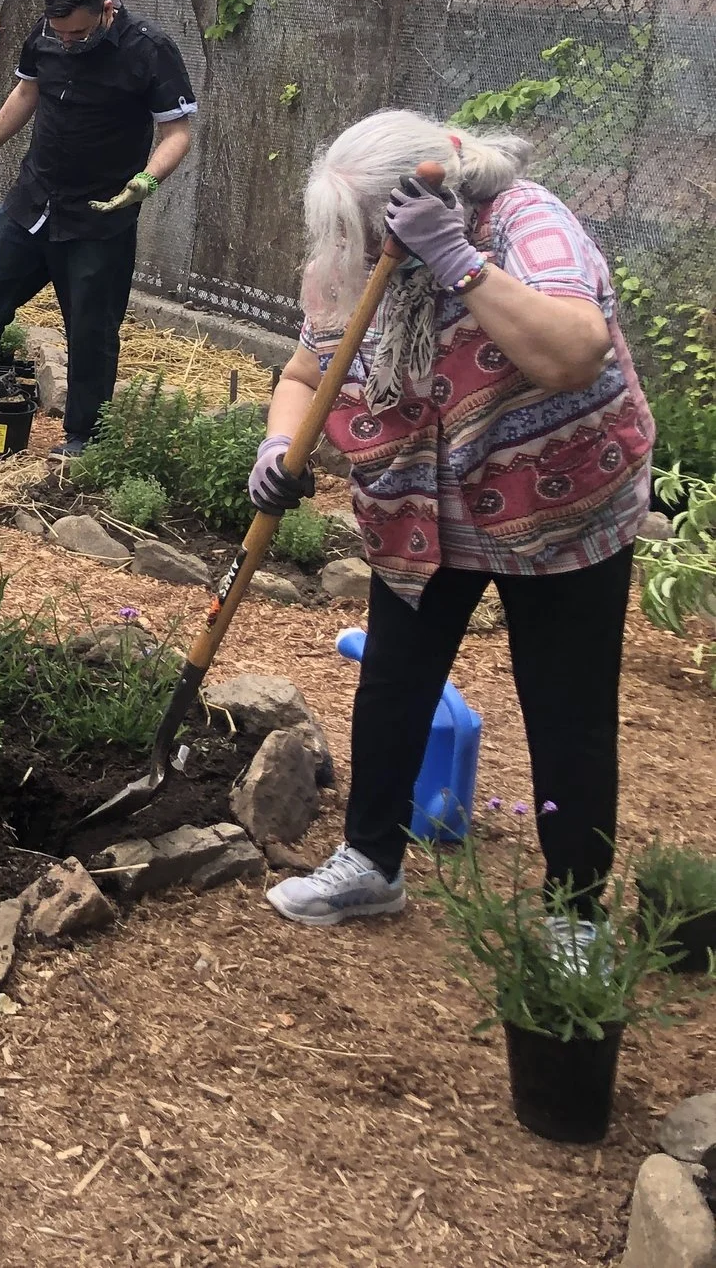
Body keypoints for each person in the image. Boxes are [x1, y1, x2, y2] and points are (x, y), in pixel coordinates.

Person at [254, 112, 655, 930]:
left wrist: (458, 262)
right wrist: (279, 440)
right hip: (421, 516)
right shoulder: (354, 261)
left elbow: (577, 350)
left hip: (561, 509)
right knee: (394, 689)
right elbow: (303, 370)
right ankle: (370, 863)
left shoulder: (527, 225)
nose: (357, 248)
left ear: (425, 190)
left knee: (566, 710)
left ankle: (575, 912)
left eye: (367, 230)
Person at [0, 0, 197, 455]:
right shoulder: (46, 33)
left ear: (105, 11)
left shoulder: (148, 49)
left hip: (99, 216)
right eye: (58, 33)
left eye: (77, 33)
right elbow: (26, 91)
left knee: (91, 329)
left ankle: (84, 435)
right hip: (32, 200)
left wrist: (146, 180)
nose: (66, 42)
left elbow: (177, 131)